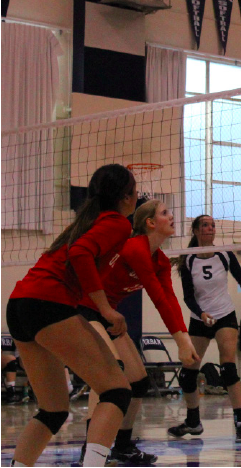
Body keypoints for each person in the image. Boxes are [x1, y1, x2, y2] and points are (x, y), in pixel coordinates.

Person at [6, 164, 137, 467]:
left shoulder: (86, 220)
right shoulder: (117, 223)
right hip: (48, 304)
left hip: (21, 304)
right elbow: (80, 254)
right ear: (127, 197)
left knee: (52, 411)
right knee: (116, 391)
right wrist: (105, 309)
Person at [77, 199, 199, 464]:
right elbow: (156, 296)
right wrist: (179, 341)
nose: (172, 216)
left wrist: (185, 339)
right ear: (150, 223)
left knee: (139, 381)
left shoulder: (162, 262)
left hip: (109, 316)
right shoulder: (134, 247)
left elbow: (169, 300)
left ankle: (121, 446)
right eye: (165, 213)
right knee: (109, 376)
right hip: (85, 309)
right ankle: (91, 449)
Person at [168, 215, 241, 443]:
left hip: (224, 315)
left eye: (213, 225)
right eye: (205, 225)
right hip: (200, 317)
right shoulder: (188, 259)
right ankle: (193, 421)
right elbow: (188, 296)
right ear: (195, 230)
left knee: (228, 368)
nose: (210, 229)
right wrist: (201, 314)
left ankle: (240, 422)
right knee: (187, 373)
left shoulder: (224, 253)